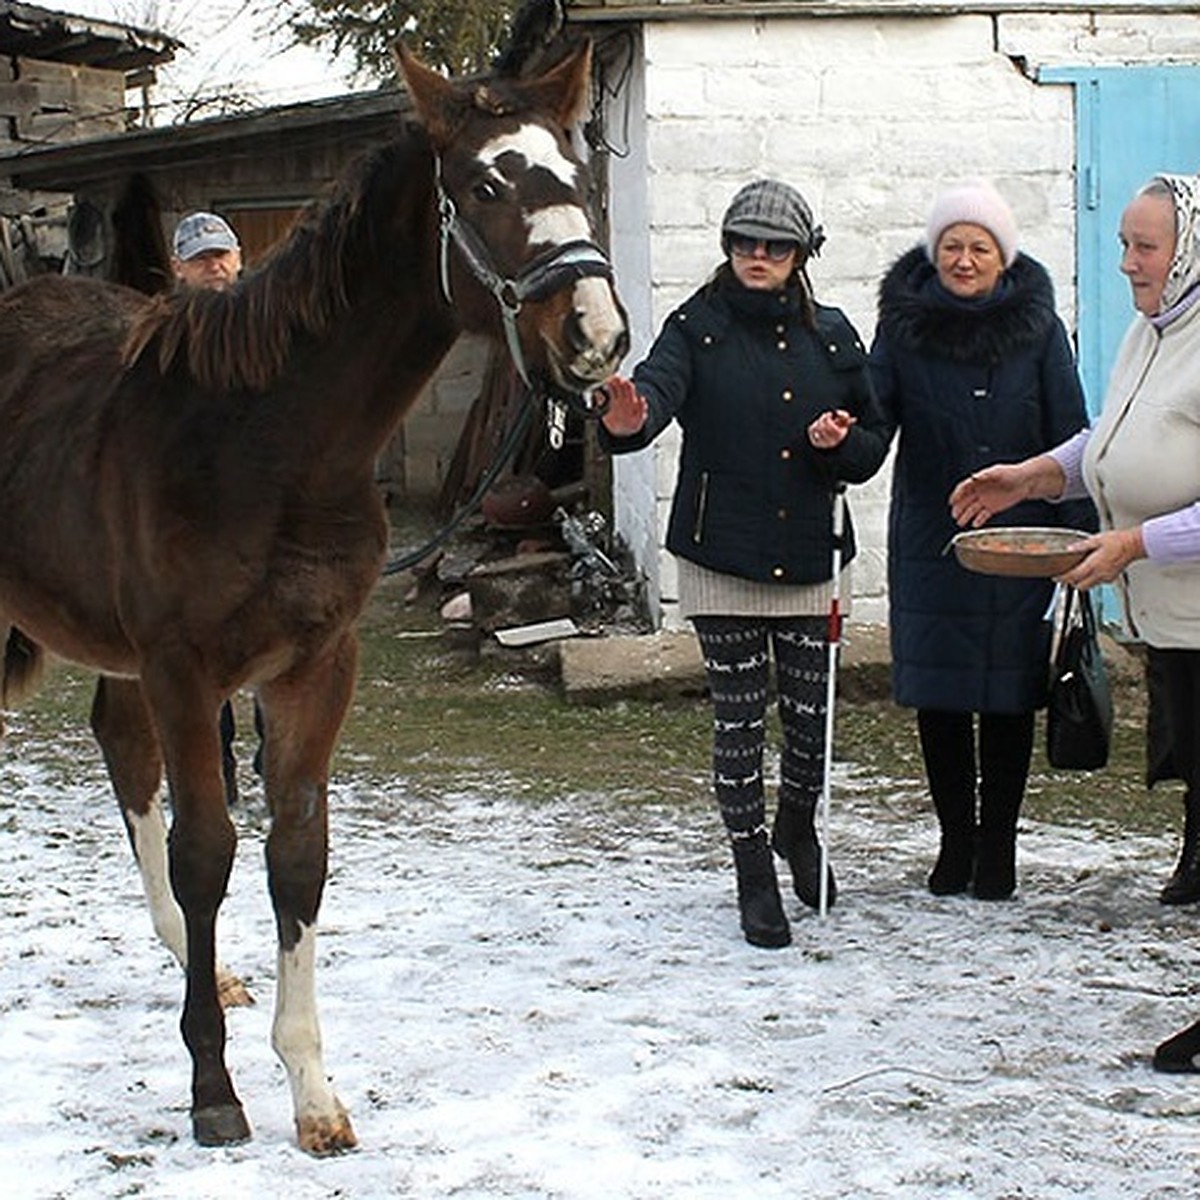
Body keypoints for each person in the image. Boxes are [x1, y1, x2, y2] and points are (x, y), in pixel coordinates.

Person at [948, 174, 1200, 1068]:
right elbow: (1116, 440)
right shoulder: (1152, 332)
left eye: (1145, 246)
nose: (1127, 260)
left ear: (1190, 249)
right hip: (1173, 624)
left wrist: (1134, 542)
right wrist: (1035, 474)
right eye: (1125, 243)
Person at [599, 179, 889, 948]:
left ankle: (797, 828)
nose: (756, 256)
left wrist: (841, 444)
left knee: (811, 722)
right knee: (738, 718)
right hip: (720, 553)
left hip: (813, 555)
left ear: (801, 255)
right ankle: (751, 870)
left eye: (774, 246)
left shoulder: (834, 336)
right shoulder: (695, 327)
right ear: (727, 247)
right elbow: (654, 395)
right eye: (743, 242)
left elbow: (872, 444)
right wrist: (630, 421)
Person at [868, 180, 1095, 902]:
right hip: (933, 535)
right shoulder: (902, 329)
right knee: (940, 698)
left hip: (1020, 541)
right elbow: (874, 421)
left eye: (979, 247)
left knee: (1006, 695)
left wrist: (1075, 545)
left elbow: (1072, 434)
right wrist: (837, 440)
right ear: (934, 256)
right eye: (952, 247)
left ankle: (997, 848)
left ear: (1004, 257)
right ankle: (954, 843)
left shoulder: (1040, 330)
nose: (964, 260)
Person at [170, 211, 260, 804]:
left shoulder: (265, 326)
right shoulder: (164, 336)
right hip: (194, 515)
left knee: (273, 639)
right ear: (179, 269)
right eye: (201, 258)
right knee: (205, 650)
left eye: (221, 254)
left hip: (260, 509)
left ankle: (276, 761)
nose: (214, 266)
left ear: (239, 258)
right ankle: (216, 763)